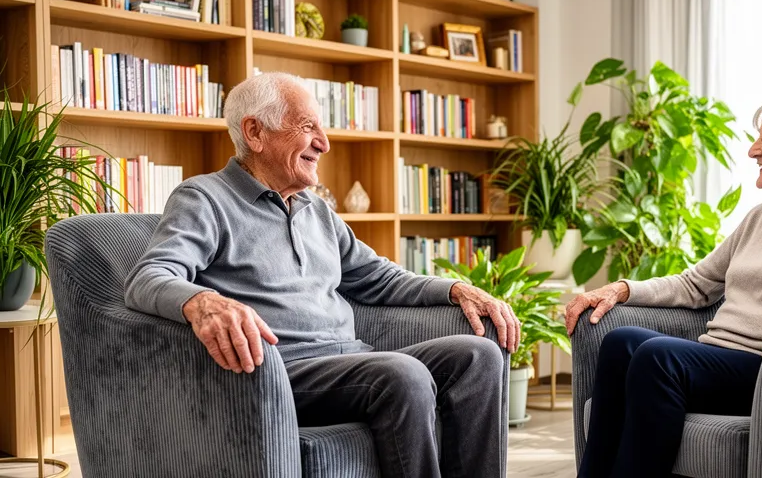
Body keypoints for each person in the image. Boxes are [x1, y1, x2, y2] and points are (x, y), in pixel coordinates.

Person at [124, 72, 520, 478]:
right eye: (307, 127)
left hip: (353, 361)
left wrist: (456, 289)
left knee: (479, 356)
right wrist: (201, 301)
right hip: (282, 371)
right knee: (402, 373)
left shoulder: (315, 209)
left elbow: (380, 278)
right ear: (255, 132)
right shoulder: (205, 198)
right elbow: (148, 276)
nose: (324, 143)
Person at [565, 94, 762, 478]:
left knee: (658, 357)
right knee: (621, 342)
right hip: (716, 359)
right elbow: (695, 284)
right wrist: (622, 289)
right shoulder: (759, 217)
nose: (753, 150)